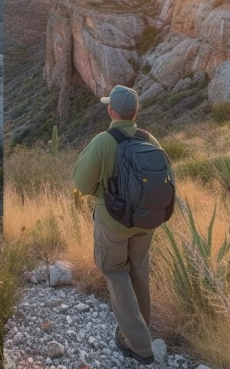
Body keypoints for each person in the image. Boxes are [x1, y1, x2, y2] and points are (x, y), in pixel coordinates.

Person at [71, 85, 162, 366]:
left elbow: (82, 185)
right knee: (138, 272)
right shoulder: (151, 140)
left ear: (112, 111)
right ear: (136, 111)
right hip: (147, 222)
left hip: (113, 222)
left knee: (116, 272)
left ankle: (138, 345)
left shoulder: (103, 141)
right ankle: (140, 328)